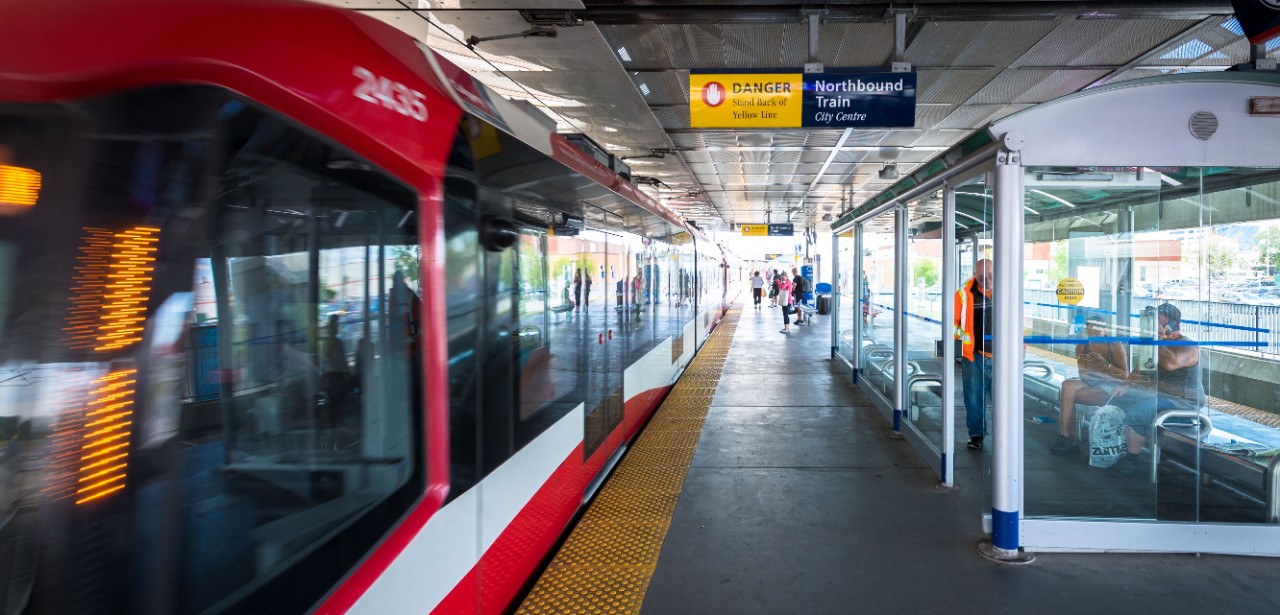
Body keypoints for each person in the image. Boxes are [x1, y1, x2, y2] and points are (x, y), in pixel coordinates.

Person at [1111, 303, 1203, 475]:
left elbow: (1170, 363)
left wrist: (1157, 340)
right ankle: (1118, 445)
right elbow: (1143, 367)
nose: (1153, 324)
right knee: (1122, 402)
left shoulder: (1188, 345)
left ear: (1171, 323)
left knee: (1139, 411)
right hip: (1163, 397)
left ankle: (1132, 458)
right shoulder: (1159, 344)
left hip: (1183, 404)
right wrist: (1125, 386)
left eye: (1157, 320)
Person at [1050, 317, 1130, 456]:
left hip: (1112, 385)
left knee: (1068, 396)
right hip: (1093, 381)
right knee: (1067, 386)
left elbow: (1124, 376)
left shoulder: (1115, 345)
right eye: (1091, 329)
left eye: (1098, 329)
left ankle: (1071, 441)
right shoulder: (1082, 346)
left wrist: (1105, 366)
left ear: (1105, 330)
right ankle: (1064, 435)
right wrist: (1092, 373)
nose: (1094, 332)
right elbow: (1082, 373)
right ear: (1087, 330)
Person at [955, 259, 992, 450]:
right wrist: (959, 349)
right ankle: (976, 434)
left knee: (1004, 400)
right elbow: (954, 323)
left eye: (989, 276)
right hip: (974, 356)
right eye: (981, 277)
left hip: (1002, 358)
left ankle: (1008, 436)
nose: (985, 280)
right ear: (974, 275)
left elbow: (1018, 320)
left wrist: (1021, 344)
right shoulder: (964, 294)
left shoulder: (1007, 290)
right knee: (974, 398)